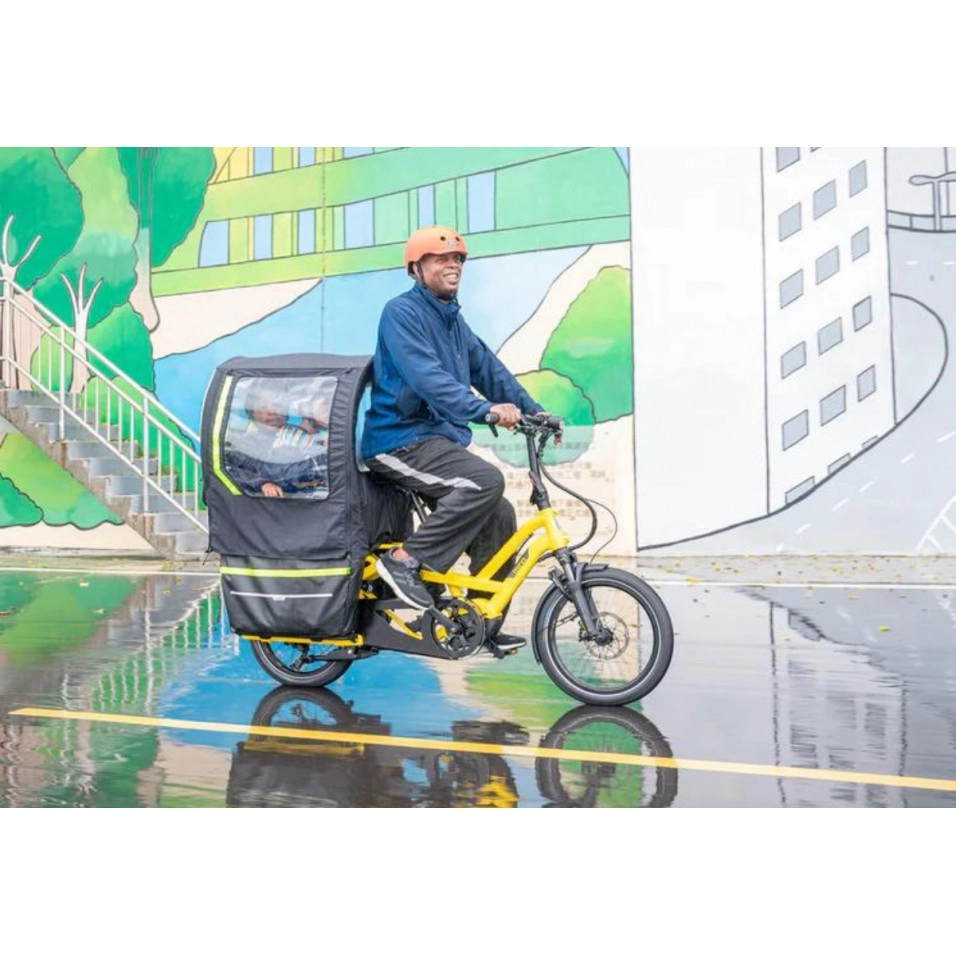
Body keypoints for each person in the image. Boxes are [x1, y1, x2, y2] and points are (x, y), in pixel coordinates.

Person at [361, 225, 551, 651]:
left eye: (458, 259)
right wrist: (483, 410)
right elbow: (427, 378)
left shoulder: (453, 321)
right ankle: (404, 562)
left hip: (435, 440)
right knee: (484, 481)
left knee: (499, 515)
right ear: (416, 268)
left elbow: (490, 371)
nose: (453, 266)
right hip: (397, 440)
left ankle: (481, 620)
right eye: (441, 259)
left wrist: (535, 412)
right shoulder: (401, 313)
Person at [227, 384, 328, 498]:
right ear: (252, 413)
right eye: (264, 407)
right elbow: (233, 471)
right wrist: (262, 483)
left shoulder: (298, 436)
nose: (272, 411)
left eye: (278, 406)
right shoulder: (242, 444)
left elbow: (314, 467)